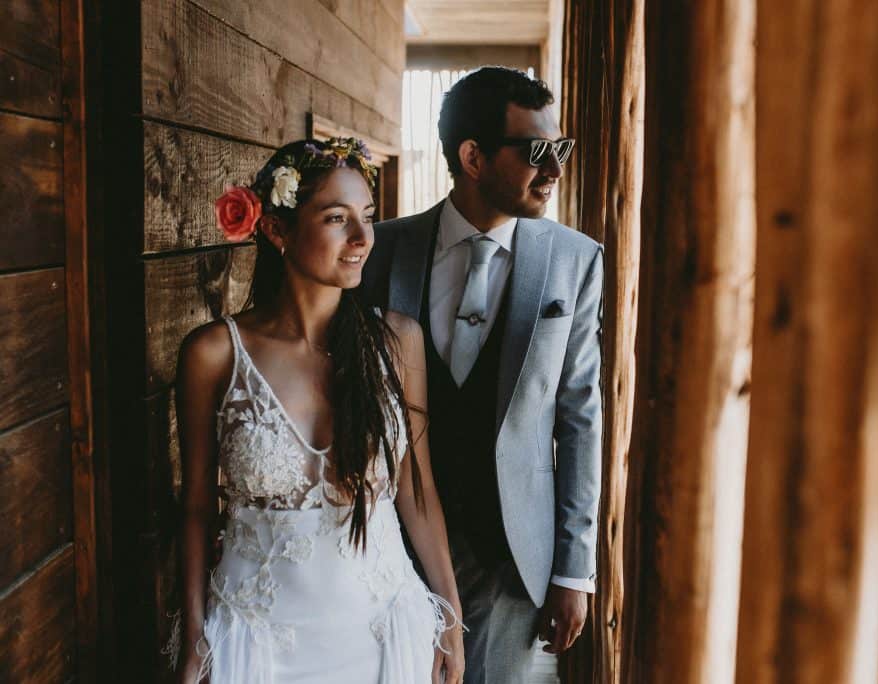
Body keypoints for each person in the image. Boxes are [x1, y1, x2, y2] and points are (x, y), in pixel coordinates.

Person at [172, 137, 465, 683]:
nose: (361, 239)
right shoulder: (214, 354)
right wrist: (193, 633)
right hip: (256, 636)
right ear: (277, 230)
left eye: (368, 218)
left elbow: (416, 490)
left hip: (380, 630)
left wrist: (449, 614)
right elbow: (194, 507)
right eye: (336, 218)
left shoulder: (398, 341)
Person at [360, 67, 603, 683]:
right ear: (472, 157)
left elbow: (580, 417)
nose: (555, 169)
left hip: (515, 562)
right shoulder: (380, 251)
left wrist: (574, 571)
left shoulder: (575, 261)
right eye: (537, 152)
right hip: (389, 552)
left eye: (562, 150)